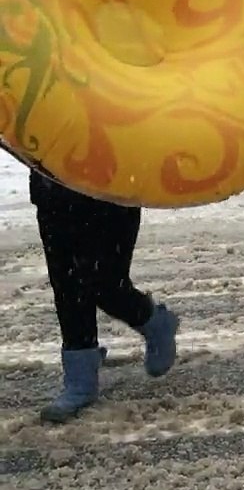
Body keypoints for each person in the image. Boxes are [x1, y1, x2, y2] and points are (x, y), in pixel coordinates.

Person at [29, 170, 180, 423]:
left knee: (106, 283)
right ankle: (80, 380)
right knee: (68, 286)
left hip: (115, 181)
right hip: (54, 186)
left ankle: (154, 322)